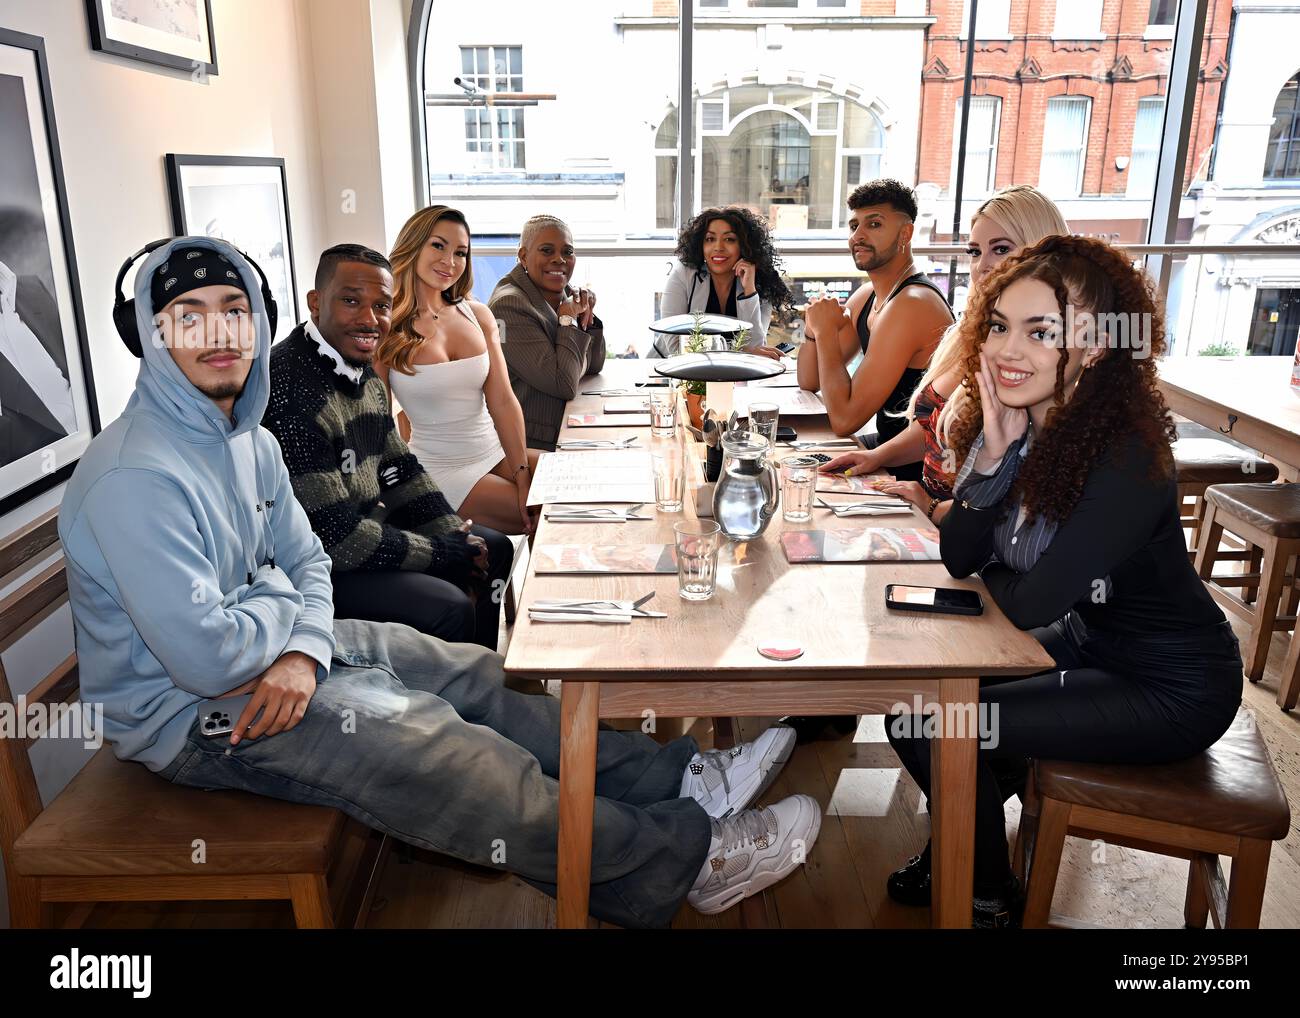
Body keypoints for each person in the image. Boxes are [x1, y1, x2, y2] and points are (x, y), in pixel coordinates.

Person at [57, 234, 821, 929]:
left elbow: (308, 564)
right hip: (200, 716)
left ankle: (679, 778)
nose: (218, 334)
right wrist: (288, 615)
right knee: (445, 751)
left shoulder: (245, 441)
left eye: (233, 310)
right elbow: (208, 656)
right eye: (187, 316)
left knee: (481, 678)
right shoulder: (136, 478)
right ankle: (690, 859)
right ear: (151, 335)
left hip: (286, 658)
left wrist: (289, 625)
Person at [882, 235, 1243, 926]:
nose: (1007, 351)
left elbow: (1030, 602)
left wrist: (989, 545)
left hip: (1172, 687)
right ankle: (973, 833)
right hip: (1090, 644)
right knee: (911, 710)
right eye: (999, 326)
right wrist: (989, 454)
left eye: (1041, 332)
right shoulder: (1025, 425)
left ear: (1100, 345)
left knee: (942, 727)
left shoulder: (1127, 455)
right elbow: (962, 557)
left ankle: (985, 892)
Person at [263, 243, 513, 651]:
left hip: (364, 530)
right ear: (314, 302)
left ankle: (479, 679)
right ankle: (439, 704)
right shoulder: (292, 390)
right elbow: (333, 537)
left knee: (493, 549)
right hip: (316, 566)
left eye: (382, 306)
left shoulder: (358, 368)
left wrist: (454, 538)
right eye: (350, 301)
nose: (370, 319)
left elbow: (400, 469)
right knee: (450, 606)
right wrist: (439, 553)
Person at [820, 186, 1069, 523]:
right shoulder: (968, 333)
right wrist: (875, 457)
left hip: (962, 528)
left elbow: (1015, 490)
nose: (983, 265)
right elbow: (934, 429)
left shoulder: (1045, 356)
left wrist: (933, 508)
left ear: (1042, 251)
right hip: (927, 504)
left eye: (1001, 249)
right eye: (975, 251)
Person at [375, 207, 540, 535]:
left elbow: (503, 401)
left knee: (568, 488)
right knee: (540, 513)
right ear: (414, 246)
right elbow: (378, 422)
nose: (450, 261)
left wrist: (522, 473)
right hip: (440, 469)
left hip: (492, 450)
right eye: (438, 246)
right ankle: (544, 587)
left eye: (460, 252)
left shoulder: (478, 315)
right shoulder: (385, 327)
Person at [799, 179, 954, 473]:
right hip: (886, 447)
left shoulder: (912, 304)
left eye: (874, 224)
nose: (858, 235)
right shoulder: (867, 295)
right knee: (792, 461)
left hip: (918, 468)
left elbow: (844, 420)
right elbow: (810, 382)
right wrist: (812, 330)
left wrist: (825, 333)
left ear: (905, 233)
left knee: (801, 480)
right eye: (854, 225)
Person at [489, 215, 606, 452]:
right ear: (523, 256)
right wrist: (568, 320)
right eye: (546, 250)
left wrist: (586, 313)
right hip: (531, 443)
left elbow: (594, 363)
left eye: (567, 251)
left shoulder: (560, 293)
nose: (559, 260)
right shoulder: (509, 305)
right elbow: (564, 383)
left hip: (566, 425)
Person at [651, 206, 794, 359]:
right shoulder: (683, 274)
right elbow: (675, 346)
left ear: (744, 246)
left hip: (731, 377)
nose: (718, 247)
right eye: (710, 239)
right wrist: (740, 351)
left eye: (729, 239)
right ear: (701, 245)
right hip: (667, 374)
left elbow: (755, 346)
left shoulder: (759, 281)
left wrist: (749, 292)